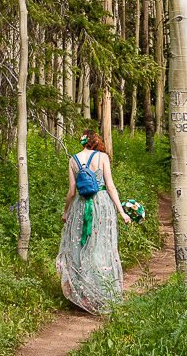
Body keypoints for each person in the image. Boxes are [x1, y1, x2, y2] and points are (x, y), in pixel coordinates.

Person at [56, 130, 131, 313]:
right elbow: (110, 186)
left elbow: (72, 192)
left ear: (82, 142)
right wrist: (122, 212)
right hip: (101, 204)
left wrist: (66, 212)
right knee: (101, 246)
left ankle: (83, 295)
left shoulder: (72, 160)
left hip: (80, 207)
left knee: (81, 246)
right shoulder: (102, 157)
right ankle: (102, 294)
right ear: (95, 141)